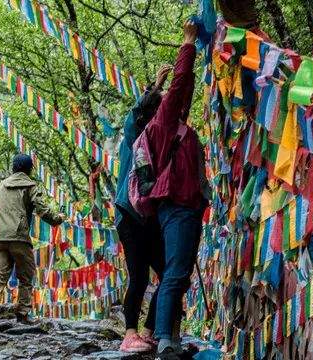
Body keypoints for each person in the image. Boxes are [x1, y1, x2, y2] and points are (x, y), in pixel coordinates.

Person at [140, 20, 208, 359]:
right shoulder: (162, 124)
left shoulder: (176, 124)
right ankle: (165, 341)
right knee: (174, 274)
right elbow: (181, 83)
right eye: (166, 98)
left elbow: (186, 87)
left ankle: (171, 340)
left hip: (188, 206)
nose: (175, 98)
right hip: (178, 205)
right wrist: (188, 43)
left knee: (177, 274)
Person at [114, 64, 173, 353]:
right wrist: (155, 86)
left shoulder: (162, 141)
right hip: (129, 212)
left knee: (170, 272)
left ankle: (148, 330)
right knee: (138, 275)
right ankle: (129, 334)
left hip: (150, 217)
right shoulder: (135, 133)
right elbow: (137, 114)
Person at [0, 154, 66, 324]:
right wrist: (58, 218)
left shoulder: (2, 185)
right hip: (19, 238)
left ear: (13, 168)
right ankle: (22, 313)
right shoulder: (31, 186)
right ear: (29, 169)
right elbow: (43, 211)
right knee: (25, 277)